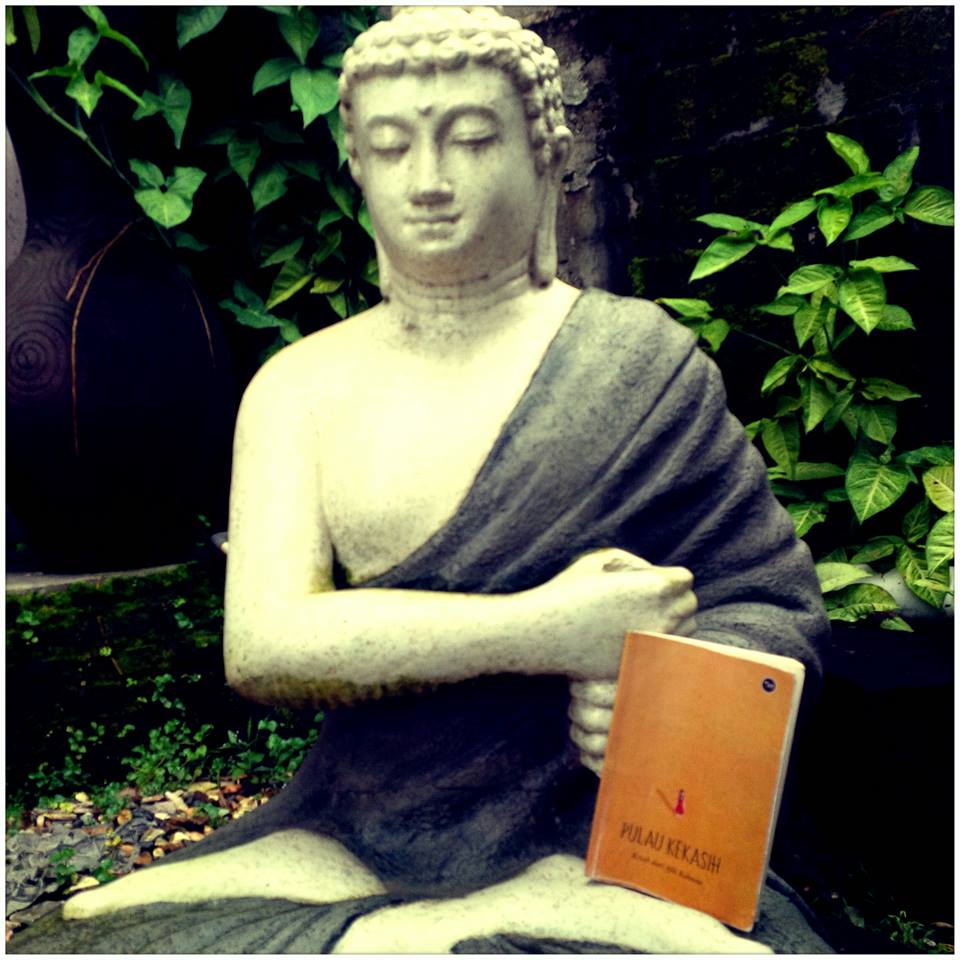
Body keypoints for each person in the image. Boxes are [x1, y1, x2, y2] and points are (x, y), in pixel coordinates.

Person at [13, 7, 831, 953]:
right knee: (89, 941)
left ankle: (500, 908)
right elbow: (265, 645)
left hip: (585, 824)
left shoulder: (636, 363)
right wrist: (545, 629)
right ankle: (429, 916)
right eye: (392, 147)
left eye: (473, 140)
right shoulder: (299, 387)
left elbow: (769, 600)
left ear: (545, 157)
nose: (429, 182)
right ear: (357, 166)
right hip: (356, 818)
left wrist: (668, 699)